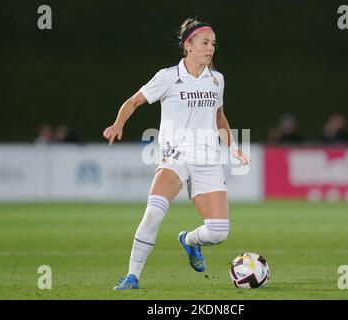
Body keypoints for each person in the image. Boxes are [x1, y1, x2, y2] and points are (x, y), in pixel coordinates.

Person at [103, 18, 250, 290]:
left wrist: (233, 147)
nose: (210, 49)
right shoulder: (168, 77)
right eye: (205, 43)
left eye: (213, 44)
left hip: (207, 159)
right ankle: (132, 276)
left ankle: (189, 241)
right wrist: (118, 123)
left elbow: (219, 115)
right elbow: (134, 101)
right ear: (188, 46)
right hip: (176, 155)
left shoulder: (217, 80)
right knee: (153, 214)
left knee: (218, 233)